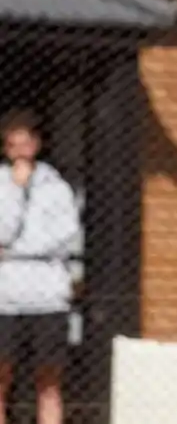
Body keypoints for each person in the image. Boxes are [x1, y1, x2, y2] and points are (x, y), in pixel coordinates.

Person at [0, 110, 81, 424]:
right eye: (12, 145)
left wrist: (16, 251)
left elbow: (65, 237)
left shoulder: (56, 187)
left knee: (48, 381)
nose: (20, 151)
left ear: (36, 144)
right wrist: (16, 192)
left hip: (47, 295)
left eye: (25, 143)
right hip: (5, 296)